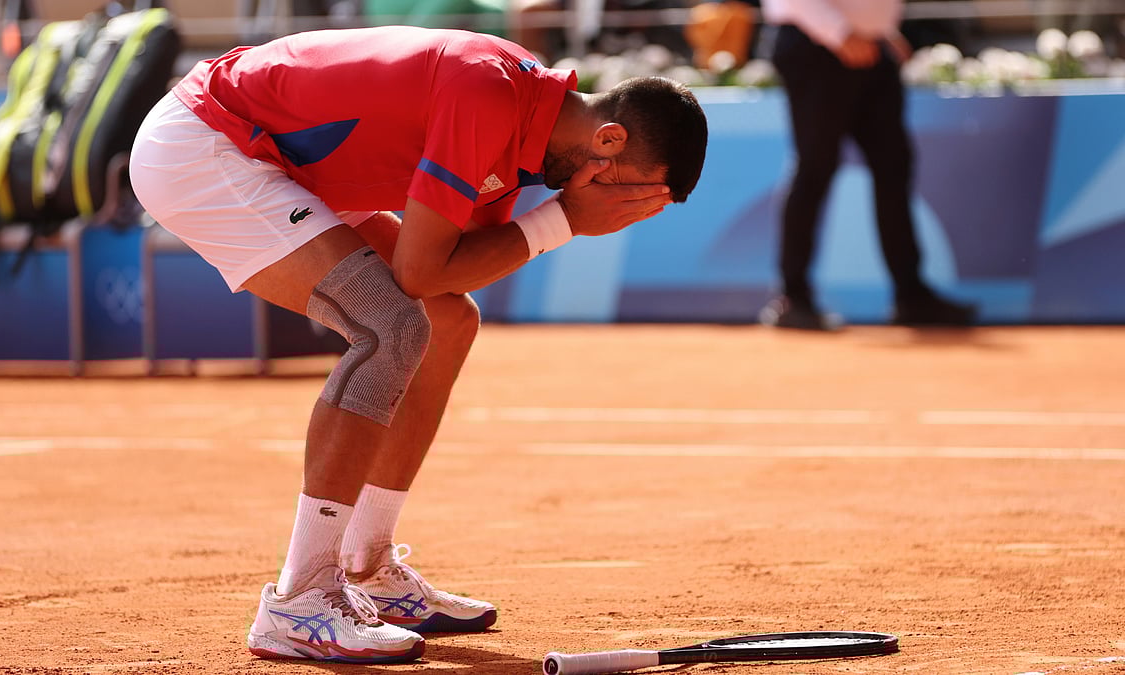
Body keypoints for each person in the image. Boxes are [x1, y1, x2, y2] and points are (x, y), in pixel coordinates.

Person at [129, 25, 707, 664]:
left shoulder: (526, 128)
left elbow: (454, 267)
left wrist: (554, 220)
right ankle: (298, 600)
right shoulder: (488, 91)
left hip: (285, 166)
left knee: (448, 323)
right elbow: (418, 274)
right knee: (390, 325)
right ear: (608, 140)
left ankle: (368, 564)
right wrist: (564, 220)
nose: (614, 203)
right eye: (625, 187)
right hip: (207, 141)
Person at [758, 0, 977, 330]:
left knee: (893, 167)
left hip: (873, 47)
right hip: (816, 44)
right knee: (816, 168)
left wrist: (882, 31)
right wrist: (838, 32)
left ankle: (911, 296)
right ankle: (793, 298)